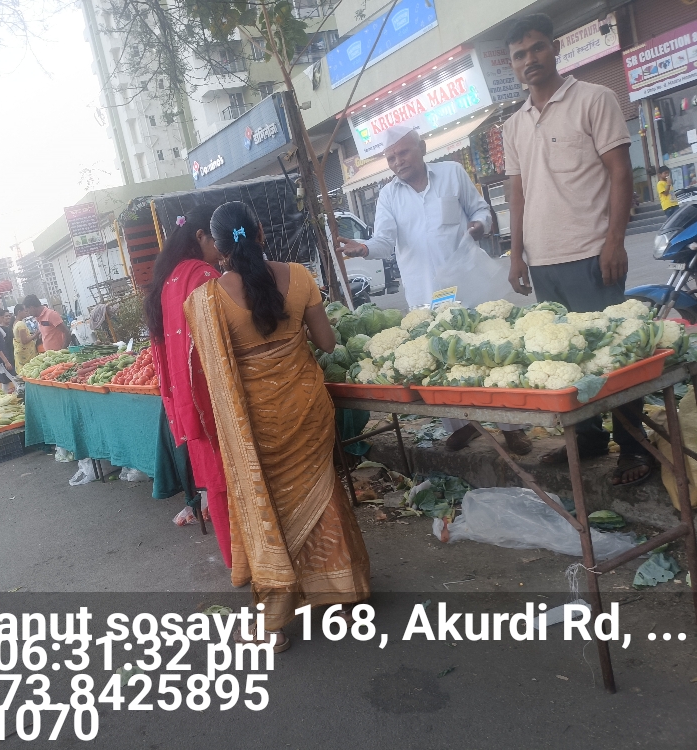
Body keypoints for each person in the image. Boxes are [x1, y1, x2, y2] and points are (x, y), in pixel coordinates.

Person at [185, 201, 371, 651]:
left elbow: (210, 374)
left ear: (219, 248)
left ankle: (274, 623)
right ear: (261, 232)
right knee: (323, 495)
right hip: (307, 408)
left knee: (268, 510)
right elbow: (327, 343)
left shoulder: (207, 301)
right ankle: (345, 595)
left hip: (257, 423)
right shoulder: (300, 277)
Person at [504, 13, 650, 486]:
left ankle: (634, 447)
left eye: (538, 48)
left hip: (593, 254)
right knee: (567, 360)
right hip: (544, 263)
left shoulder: (594, 98)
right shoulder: (513, 125)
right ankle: (588, 439)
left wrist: (614, 241)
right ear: (512, 65)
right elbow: (517, 194)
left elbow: (620, 172)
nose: (530, 59)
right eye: (520, 55)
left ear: (555, 49)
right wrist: (516, 254)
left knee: (613, 357)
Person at [339, 125, 532, 455]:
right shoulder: (389, 196)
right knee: (439, 361)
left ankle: (512, 428)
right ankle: (463, 426)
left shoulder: (452, 173)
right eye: (391, 157)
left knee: (489, 352)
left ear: (422, 147)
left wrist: (479, 225)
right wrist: (365, 249)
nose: (398, 161)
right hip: (426, 293)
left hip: (469, 284)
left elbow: (481, 210)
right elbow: (384, 241)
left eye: (403, 152)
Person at [145, 204, 232, 567]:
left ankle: (236, 563)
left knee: (216, 483)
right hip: (214, 397)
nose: (223, 252)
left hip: (190, 399)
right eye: (218, 242)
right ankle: (252, 561)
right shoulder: (203, 275)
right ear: (200, 237)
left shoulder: (169, 278)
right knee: (232, 482)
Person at [12, 303, 37, 373]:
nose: (26, 312)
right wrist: (35, 335)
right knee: (29, 371)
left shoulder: (15, 323)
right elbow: (24, 341)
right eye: (24, 311)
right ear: (19, 312)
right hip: (25, 353)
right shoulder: (20, 324)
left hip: (20, 351)